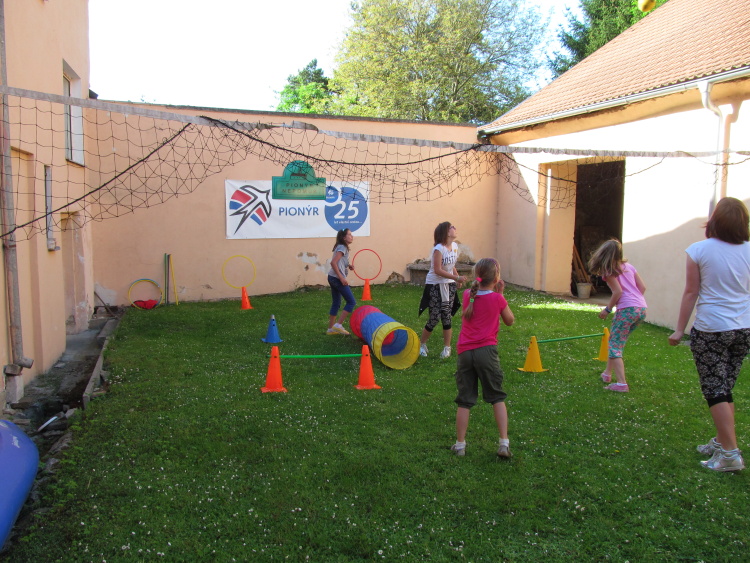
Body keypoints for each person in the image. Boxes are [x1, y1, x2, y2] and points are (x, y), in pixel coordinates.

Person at [668, 197, 750, 472]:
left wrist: (679, 329)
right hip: (744, 330)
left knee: (715, 390)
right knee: (724, 388)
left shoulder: (699, 250)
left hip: (712, 329)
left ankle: (730, 455)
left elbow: (691, 291)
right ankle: (721, 441)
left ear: (715, 221)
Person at [450, 258, 515, 458]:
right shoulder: (497, 299)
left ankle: (460, 445)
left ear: (476, 275)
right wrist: (501, 294)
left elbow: (476, 299)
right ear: (496, 278)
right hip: (486, 352)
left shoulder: (468, 295)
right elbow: (510, 321)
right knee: (497, 397)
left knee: (464, 400)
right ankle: (503, 444)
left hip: (465, 353)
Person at [587, 239, 647, 392]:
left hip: (627, 310)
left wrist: (607, 309)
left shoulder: (609, 272)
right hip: (641, 309)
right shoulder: (629, 267)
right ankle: (607, 374)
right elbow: (642, 287)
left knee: (614, 345)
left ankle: (621, 384)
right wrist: (635, 300)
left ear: (603, 255)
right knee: (616, 342)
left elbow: (618, 291)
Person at [418, 221, 467, 359]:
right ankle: (422, 344)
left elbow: (451, 265)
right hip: (435, 285)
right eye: (451, 227)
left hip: (449, 284)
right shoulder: (439, 249)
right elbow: (438, 270)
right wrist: (456, 278)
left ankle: (447, 348)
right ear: (446, 232)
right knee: (434, 317)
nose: (454, 228)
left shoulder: (455, 246)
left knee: (446, 316)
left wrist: (456, 277)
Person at [327, 229, 356, 335]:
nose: (352, 236)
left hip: (332, 277)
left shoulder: (342, 247)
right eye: (349, 234)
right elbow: (333, 262)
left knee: (336, 303)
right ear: (344, 237)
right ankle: (338, 325)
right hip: (336, 278)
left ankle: (330, 329)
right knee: (351, 302)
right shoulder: (342, 247)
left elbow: (340, 260)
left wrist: (348, 265)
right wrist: (341, 278)